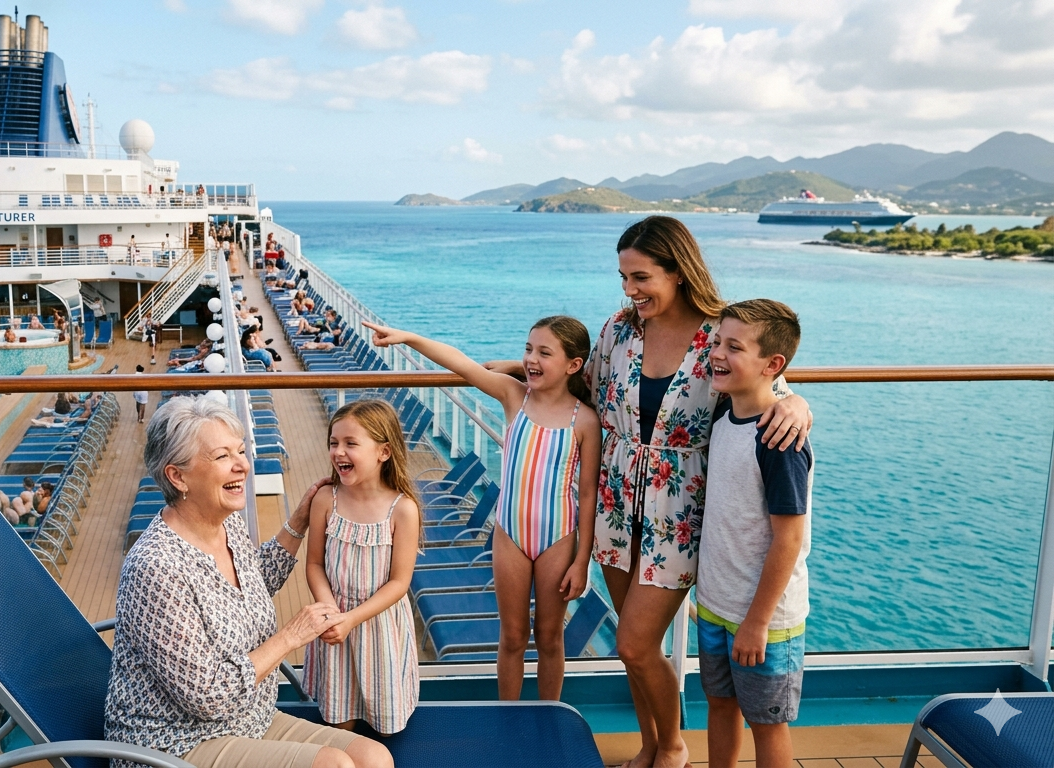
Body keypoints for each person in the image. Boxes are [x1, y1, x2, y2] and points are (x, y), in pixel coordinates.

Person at [486, 216, 814, 768]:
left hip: (680, 512)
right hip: (614, 504)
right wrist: (509, 369)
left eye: (641, 277)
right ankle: (652, 745)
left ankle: (674, 746)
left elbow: (771, 389)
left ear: (678, 271)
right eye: (623, 278)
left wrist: (799, 404)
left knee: (636, 644)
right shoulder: (618, 331)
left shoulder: (720, 332)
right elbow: (576, 383)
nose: (630, 291)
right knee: (635, 654)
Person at [104, 396, 390, 768]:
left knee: (373, 757)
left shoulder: (225, 525)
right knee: (333, 765)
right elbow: (208, 697)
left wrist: (299, 522)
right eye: (223, 457)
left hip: (249, 718)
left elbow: (252, 585)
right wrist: (289, 637)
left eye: (241, 451)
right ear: (178, 476)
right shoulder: (156, 567)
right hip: (173, 742)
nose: (243, 465)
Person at [365, 316, 600, 703]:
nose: (531, 359)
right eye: (527, 350)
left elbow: (588, 495)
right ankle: (508, 716)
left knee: (549, 638)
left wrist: (582, 560)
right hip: (510, 534)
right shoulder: (514, 396)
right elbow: (459, 362)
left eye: (544, 353)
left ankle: (547, 714)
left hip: (558, 539)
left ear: (574, 365)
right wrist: (407, 337)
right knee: (511, 636)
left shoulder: (585, 420)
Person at [698, 300, 812, 768]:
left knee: (767, 722)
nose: (717, 354)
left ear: (773, 365)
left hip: (765, 619)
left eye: (734, 347)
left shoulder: (779, 441)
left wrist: (758, 621)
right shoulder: (725, 416)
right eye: (718, 342)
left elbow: (788, 540)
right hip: (716, 605)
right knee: (721, 705)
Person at [304, 400, 421, 735]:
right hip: (335, 624)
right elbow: (314, 564)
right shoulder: (327, 499)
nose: (339, 452)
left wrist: (351, 618)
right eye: (334, 443)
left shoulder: (402, 510)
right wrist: (330, 612)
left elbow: (399, 583)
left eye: (351, 444)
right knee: (339, 723)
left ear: (383, 452)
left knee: (387, 727)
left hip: (378, 627)